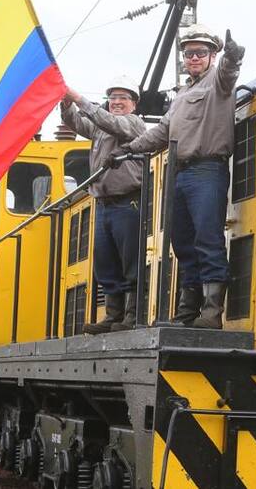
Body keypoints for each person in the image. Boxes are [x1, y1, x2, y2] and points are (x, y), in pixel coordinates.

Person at [122, 24, 244, 329]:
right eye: (189, 53)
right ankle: (187, 312)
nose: (194, 58)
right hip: (181, 175)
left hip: (207, 171)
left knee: (207, 238)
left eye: (201, 53)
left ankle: (212, 313)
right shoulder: (181, 95)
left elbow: (229, 71)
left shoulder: (218, 82)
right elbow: (162, 132)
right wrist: (127, 150)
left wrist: (233, 55)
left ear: (212, 55)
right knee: (183, 242)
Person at [61, 75, 147, 333]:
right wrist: (66, 103)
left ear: (134, 104)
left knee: (130, 260)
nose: (117, 102)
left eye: (123, 98)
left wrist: (78, 97)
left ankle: (131, 317)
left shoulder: (133, 124)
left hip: (127, 201)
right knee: (106, 262)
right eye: (113, 98)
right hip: (104, 203)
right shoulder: (100, 126)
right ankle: (113, 315)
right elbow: (76, 121)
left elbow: (107, 121)